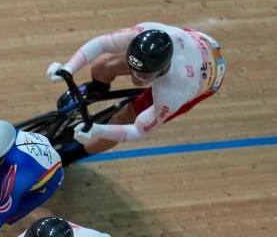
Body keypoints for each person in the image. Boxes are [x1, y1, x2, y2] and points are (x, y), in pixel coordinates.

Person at [47, 22, 226, 165]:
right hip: (194, 42)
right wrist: (69, 67)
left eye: (143, 76)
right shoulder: (143, 31)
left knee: (123, 119)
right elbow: (102, 43)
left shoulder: (174, 93)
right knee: (104, 65)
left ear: (161, 71)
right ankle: (95, 90)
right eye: (132, 70)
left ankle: (67, 158)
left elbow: (138, 130)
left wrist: (96, 130)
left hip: (205, 79)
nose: (135, 78)